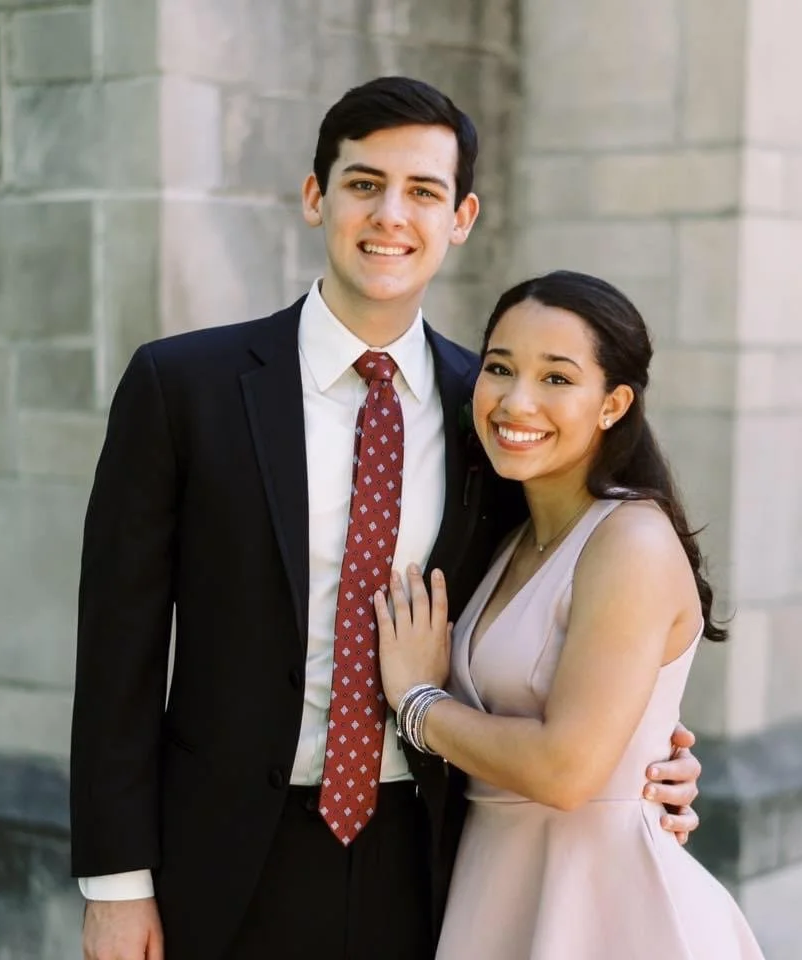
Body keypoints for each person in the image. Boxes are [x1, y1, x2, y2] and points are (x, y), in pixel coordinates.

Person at [70, 78, 703, 960]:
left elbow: (577, 608)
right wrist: (116, 883)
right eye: (364, 184)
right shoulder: (182, 388)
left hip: (431, 859)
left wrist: (648, 757)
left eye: (423, 192)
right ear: (316, 195)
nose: (390, 216)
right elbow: (118, 651)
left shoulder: (493, 415)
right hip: (218, 859)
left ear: (461, 217)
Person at [375, 270, 766, 959]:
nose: (517, 401)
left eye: (557, 378)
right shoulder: (513, 538)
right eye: (500, 368)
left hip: (610, 909)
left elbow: (566, 771)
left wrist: (416, 702)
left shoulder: (631, 541)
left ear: (613, 404)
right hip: (496, 889)